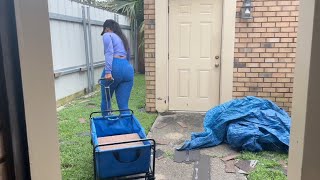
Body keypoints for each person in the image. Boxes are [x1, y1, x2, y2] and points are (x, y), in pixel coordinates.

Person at [100, 19, 133, 115]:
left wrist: (108, 72)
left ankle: (107, 125)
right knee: (124, 106)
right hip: (127, 68)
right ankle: (127, 128)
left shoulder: (107, 35)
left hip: (115, 67)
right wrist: (125, 67)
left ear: (107, 28)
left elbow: (109, 52)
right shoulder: (122, 38)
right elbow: (128, 54)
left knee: (106, 101)